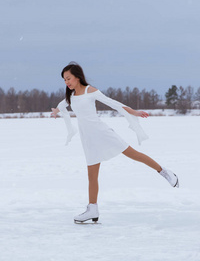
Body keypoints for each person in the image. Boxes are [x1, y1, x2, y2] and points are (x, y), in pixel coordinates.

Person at [51, 62, 179, 223]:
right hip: (88, 139)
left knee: (134, 154)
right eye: (64, 80)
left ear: (77, 77)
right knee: (92, 176)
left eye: (68, 78)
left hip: (102, 133)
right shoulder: (71, 96)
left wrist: (134, 112)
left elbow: (114, 103)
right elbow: (62, 105)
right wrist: (56, 111)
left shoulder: (91, 91)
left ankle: (164, 172)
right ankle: (92, 209)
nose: (66, 82)